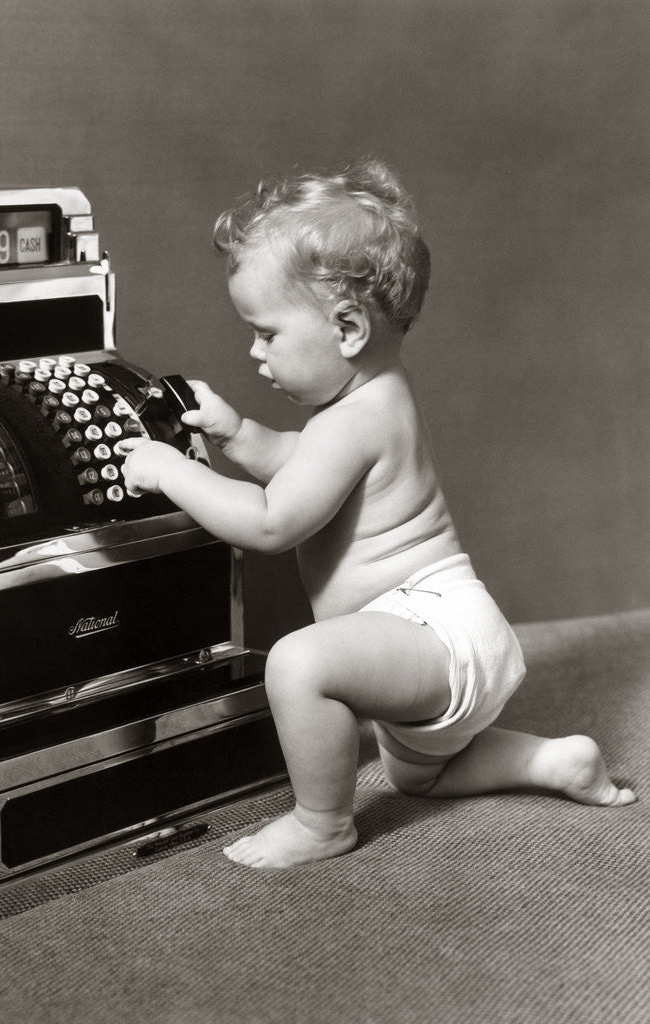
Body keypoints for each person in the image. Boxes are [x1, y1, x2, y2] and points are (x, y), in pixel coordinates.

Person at [121, 157, 636, 869]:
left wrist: (173, 470)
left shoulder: (350, 423)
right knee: (416, 773)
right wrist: (237, 434)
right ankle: (553, 762)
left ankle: (321, 824)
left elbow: (273, 522)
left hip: (429, 630)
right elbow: (304, 470)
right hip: (441, 642)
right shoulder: (373, 403)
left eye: (266, 332)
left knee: (299, 664)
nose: (253, 350)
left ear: (347, 327)